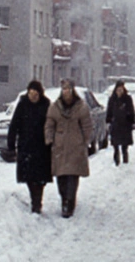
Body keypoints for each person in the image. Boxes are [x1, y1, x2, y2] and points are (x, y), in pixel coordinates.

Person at [45, 78, 93, 218]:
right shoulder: (55, 107)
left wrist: (85, 140)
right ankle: (64, 198)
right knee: (61, 177)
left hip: (75, 146)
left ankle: (69, 203)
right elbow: (49, 124)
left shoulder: (81, 107)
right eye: (64, 89)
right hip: (59, 147)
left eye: (68, 89)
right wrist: (49, 139)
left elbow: (87, 126)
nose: (66, 92)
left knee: (72, 176)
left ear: (73, 91)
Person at [7, 80, 53, 213]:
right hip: (26, 146)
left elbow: (52, 124)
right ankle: (35, 202)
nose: (33, 96)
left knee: (41, 177)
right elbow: (14, 124)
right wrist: (11, 144)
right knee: (29, 177)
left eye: (35, 93)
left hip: (42, 147)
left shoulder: (46, 105)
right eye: (30, 93)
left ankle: (38, 200)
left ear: (40, 93)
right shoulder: (23, 105)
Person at [106, 80, 135, 166]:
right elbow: (109, 111)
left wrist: (131, 122)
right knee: (115, 145)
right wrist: (108, 121)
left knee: (124, 146)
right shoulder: (112, 99)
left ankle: (125, 162)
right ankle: (117, 162)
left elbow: (131, 110)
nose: (119, 92)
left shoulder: (127, 99)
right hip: (115, 125)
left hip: (125, 126)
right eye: (118, 90)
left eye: (121, 90)